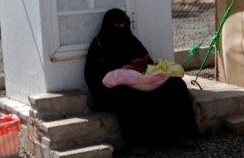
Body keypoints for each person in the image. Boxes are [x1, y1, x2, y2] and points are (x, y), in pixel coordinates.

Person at [84, 9, 199, 150]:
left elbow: (148, 63)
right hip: (113, 90)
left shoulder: (131, 41)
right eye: (116, 26)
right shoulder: (98, 45)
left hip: (141, 83)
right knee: (128, 96)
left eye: (123, 25)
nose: (121, 29)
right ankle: (138, 142)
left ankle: (182, 135)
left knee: (176, 85)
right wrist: (120, 71)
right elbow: (92, 75)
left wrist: (140, 71)